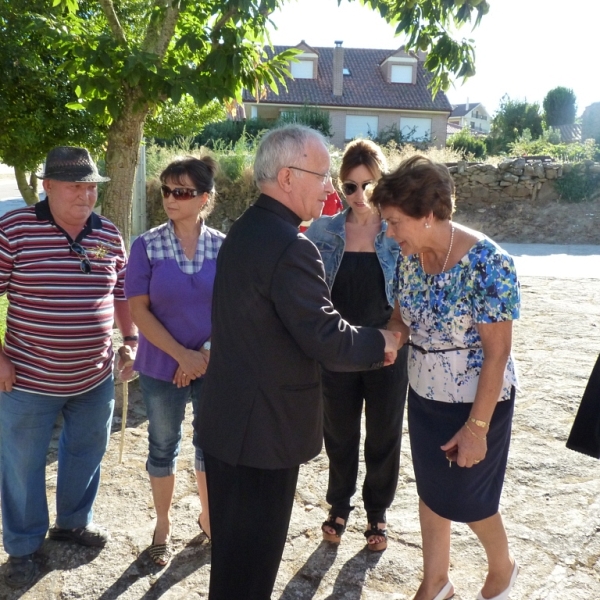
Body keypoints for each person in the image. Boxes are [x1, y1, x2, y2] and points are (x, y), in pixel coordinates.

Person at [196, 125, 401, 600]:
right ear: (287, 177)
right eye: (324, 175)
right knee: (249, 571)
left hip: (232, 426)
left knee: (231, 568)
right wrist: (383, 342)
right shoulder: (291, 245)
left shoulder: (247, 229)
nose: (331, 187)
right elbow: (326, 337)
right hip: (262, 436)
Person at [371, 156, 520, 600]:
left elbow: (498, 352)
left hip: (478, 401)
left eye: (395, 222)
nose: (389, 233)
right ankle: (435, 582)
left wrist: (477, 428)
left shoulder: (490, 263)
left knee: (469, 497)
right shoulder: (410, 259)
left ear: (429, 215)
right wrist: (382, 342)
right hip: (424, 393)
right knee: (432, 489)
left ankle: (504, 567)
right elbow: (400, 318)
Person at [0, 146, 137, 588]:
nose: (85, 195)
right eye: (75, 186)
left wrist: (130, 339)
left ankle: (72, 523)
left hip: (94, 377)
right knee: (22, 464)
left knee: (85, 453)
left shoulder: (109, 234)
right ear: (48, 187)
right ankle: (22, 546)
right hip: (27, 378)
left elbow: (121, 293)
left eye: (91, 186)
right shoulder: (15, 229)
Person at [305, 139, 408, 552]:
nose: (360, 195)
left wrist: (397, 339)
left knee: (384, 435)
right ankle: (338, 505)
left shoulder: (399, 231)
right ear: (339, 187)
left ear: (383, 184)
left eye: (369, 184)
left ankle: (377, 513)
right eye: (350, 186)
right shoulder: (323, 230)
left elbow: (410, 289)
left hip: (387, 349)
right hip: (340, 349)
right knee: (340, 433)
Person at [125, 156, 224, 565]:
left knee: (209, 446)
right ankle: (162, 524)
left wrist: (202, 355)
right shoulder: (146, 245)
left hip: (212, 365)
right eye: (166, 189)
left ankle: (209, 519)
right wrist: (181, 355)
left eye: (181, 192)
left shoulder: (224, 246)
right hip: (161, 367)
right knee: (162, 446)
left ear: (204, 198)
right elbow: (138, 309)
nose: (170, 198)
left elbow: (237, 309)